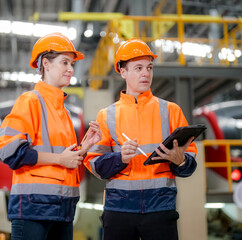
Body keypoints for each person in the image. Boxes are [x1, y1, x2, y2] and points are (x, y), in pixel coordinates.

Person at [83, 38, 198, 240]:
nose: (146, 73)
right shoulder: (106, 116)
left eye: (149, 67)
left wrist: (180, 160)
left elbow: (190, 165)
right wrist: (120, 158)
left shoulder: (171, 111)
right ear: (122, 71)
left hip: (161, 209)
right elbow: (96, 166)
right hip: (119, 211)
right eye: (138, 68)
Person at [0, 32, 102, 240]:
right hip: (34, 210)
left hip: (63, 210)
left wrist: (84, 148)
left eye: (72, 64)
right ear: (46, 63)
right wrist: (60, 159)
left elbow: (65, 159)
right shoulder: (30, 101)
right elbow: (10, 151)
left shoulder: (64, 112)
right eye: (65, 62)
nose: (70, 69)